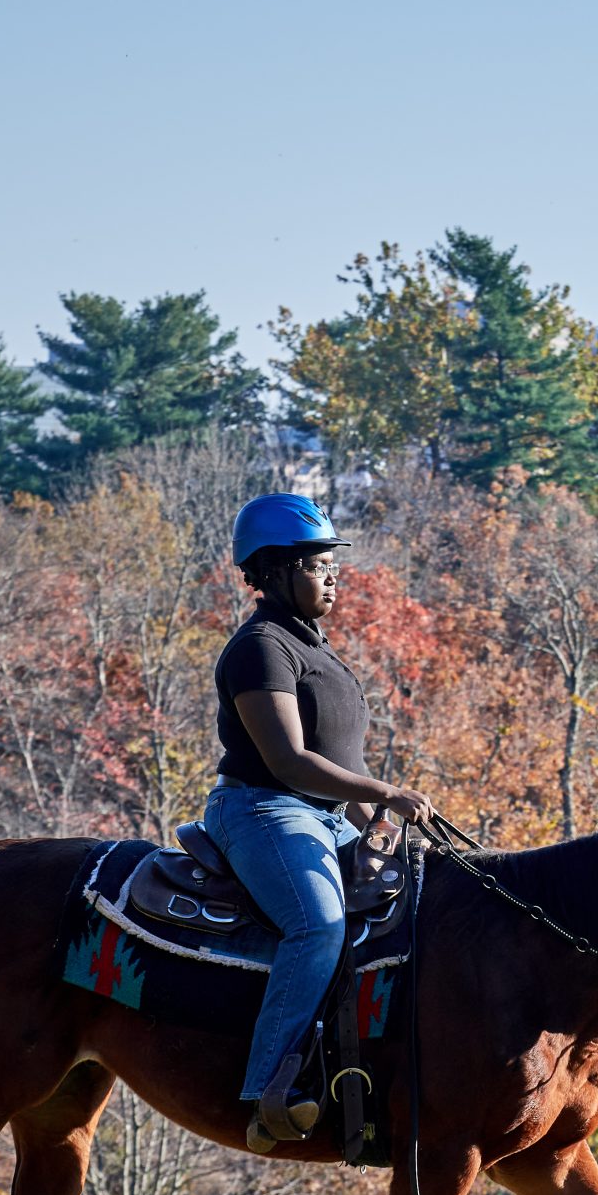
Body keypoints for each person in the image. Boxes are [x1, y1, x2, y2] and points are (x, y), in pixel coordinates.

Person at [206, 493, 433, 1150]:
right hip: (261, 809)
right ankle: (268, 1090)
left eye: (335, 565)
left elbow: (341, 764)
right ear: (274, 571)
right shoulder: (258, 649)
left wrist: (383, 834)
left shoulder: (321, 653)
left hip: (322, 815)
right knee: (319, 922)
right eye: (317, 564)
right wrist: (387, 792)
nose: (333, 576)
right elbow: (290, 761)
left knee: (419, 897)